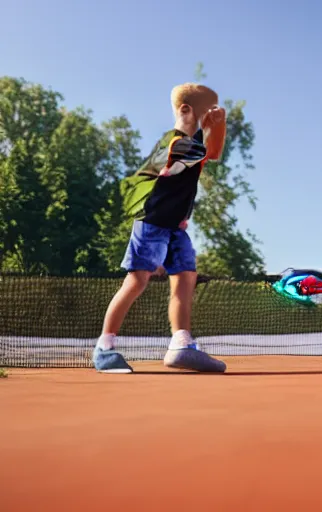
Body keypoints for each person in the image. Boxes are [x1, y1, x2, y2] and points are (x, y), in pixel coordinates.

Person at [93, 83, 227, 373]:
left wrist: (219, 124)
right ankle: (104, 348)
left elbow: (212, 152)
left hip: (174, 227)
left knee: (185, 277)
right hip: (152, 223)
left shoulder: (194, 143)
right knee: (137, 281)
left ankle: (181, 344)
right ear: (185, 110)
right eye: (206, 111)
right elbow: (208, 153)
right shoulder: (176, 143)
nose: (210, 116)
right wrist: (214, 127)